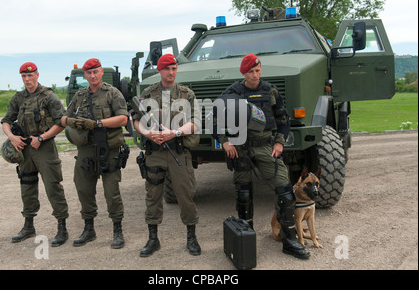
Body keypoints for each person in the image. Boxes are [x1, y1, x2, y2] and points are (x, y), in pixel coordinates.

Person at [215, 54, 310, 259]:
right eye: (251, 72)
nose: (255, 75)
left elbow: (283, 119)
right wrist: (224, 140)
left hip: (266, 146)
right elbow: (216, 118)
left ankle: (289, 239)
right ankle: (245, 237)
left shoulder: (270, 91)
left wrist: (279, 142)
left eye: (258, 71)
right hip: (240, 148)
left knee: (285, 191)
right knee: (244, 194)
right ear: (244, 73)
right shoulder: (233, 93)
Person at [132, 54, 201, 257]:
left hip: (178, 150)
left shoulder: (186, 93)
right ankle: (153, 239)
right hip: (155, 152)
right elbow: (136, 120)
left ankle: (191, 237)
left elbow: (196, 123)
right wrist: (148, 134)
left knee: (185, 195)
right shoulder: (148, 92)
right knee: (152, 196)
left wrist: (174, 133)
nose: (171, 72)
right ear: (159, 71)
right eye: (167, 69)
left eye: (174, 68)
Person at [61, 58, 129, 249]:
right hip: (86, 150)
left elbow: (123, 118)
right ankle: (89, 229)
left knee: (111, 192)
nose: (92, 76)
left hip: (109, 149)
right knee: (83, 189)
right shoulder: (80, 95)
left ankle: (117, 230)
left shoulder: (112, 93)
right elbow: (65, 117)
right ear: (85, 75)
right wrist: (75, 123)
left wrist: (98, 124)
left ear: (101, 73)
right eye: (89, 73)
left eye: (95, 72)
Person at [1, 62, 69, 247]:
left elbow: (61, 122)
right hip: (24, 148)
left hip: (44, 147)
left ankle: (62, 228)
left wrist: (42, 137)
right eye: (24, 76)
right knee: (27, 186)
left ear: (37, 75)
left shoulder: (48, 96)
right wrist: (12, 138)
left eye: (30, 76)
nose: (27, 80)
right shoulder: (19, 97)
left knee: (52, 187)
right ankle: (29, 226)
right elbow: (6, 121)